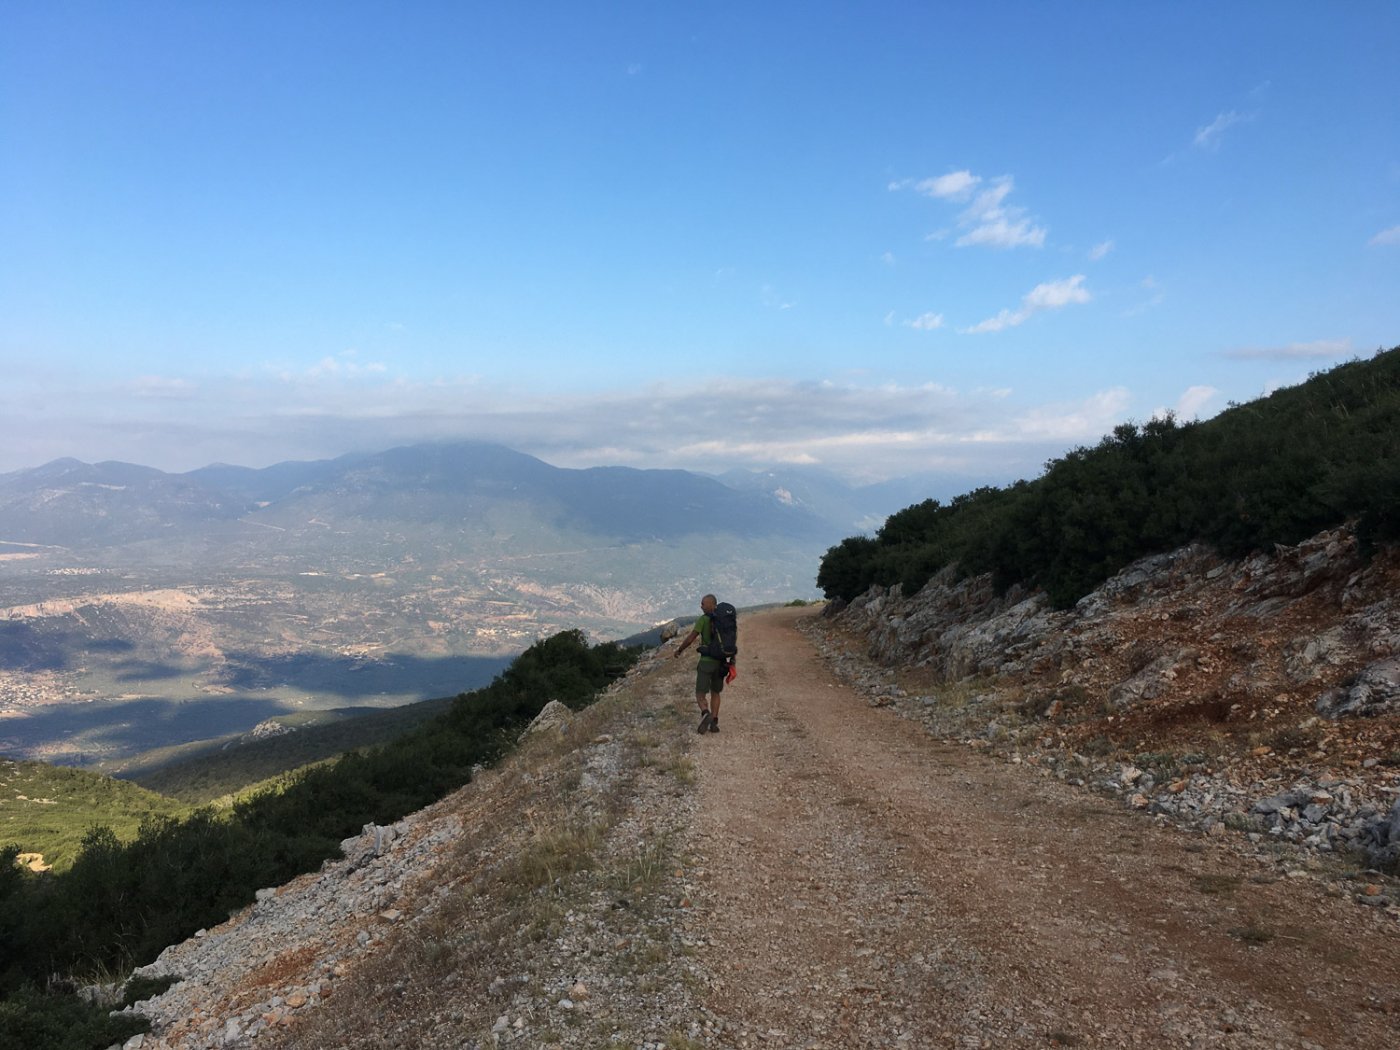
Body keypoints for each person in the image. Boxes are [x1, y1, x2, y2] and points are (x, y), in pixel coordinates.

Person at [673, 593, 726, 733]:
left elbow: (691, 638)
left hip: (706, 662)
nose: (701, 606)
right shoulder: (724, 620)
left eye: (703, 604)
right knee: (716, 692)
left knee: (700, 693)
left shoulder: (703, 620)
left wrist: (679, 650)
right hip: (720, 663)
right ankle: (714, 721)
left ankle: (705, 713)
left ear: (711, 604)